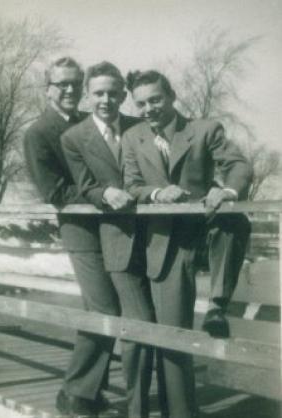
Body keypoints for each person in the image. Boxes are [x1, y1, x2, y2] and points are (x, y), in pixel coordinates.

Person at [122, 70, 252, 418]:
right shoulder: (133, 137)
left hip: (206, 228)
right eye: (141, 103)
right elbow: (132, 184)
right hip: (165, 243)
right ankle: (180, 411)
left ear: (172, 95)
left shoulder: (205, 129)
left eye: (155, 100)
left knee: (236, 219)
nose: (149, 108)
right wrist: (155, 193)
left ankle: (217, 307)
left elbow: (238, 164)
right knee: (172, 335)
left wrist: (225, 190)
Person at [24, 57, 120, 418]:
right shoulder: (38, 133)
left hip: (113, 229)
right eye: (61, 84)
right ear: (48, 89)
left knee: (109, 307)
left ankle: (91, 390)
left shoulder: (88, 122)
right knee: (104, 309)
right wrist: (104, 196)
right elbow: (56, 192)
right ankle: (75, 392)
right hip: (81, 231)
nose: (68, 90)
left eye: (74, 84)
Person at [61, 61, 154, 418]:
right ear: (87, 94)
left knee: (149, 320)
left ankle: (141, 405)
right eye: (98, 93)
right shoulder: (73, 137)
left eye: (114, 93)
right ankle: (136, 408)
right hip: (113, 237)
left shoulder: (139, 125)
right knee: (134, 319)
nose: (106, 100)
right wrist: (105, 194)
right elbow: (84, 185)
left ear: (124, 95)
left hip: (152, 239)